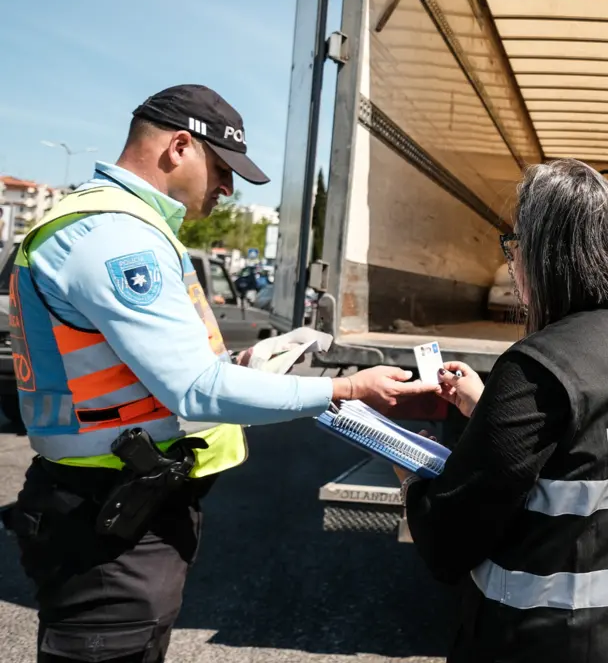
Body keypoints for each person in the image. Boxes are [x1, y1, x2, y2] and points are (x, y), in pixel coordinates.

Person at [2, 84, 435, 663]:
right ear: (179, 146)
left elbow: (160, 372)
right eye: (223, 169)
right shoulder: (114, 237)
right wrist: (346, 388)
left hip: (111, 497)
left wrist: (241, 365)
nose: (228, 188)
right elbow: (194, 390)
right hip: (103, 511)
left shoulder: (118, 227)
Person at [401, 159, 608, 663]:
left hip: (557, 642)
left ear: (547, 255)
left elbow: (447, 539)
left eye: (516, 246)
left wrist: (411, 475)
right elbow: (586, 457)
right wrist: (491, 408)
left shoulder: (539, 365)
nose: (512, 262)